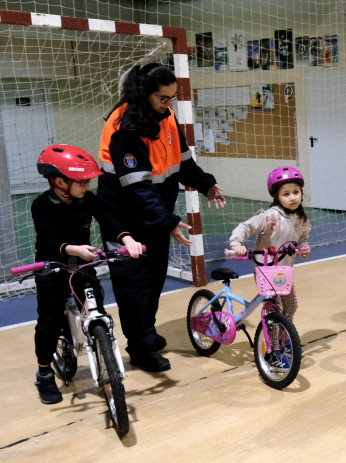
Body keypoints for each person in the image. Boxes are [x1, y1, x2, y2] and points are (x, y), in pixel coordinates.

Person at [97, 63, 226, 372]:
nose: (169, 104)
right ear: (144, 92)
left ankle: (147, 334)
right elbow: (138, 189)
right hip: (124, 222)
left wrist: (207, 184)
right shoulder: (124, 128)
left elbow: (182, 162)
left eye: (172, 97)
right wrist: (168, 221)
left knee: (154, 279)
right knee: (134, 285)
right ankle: (139, 348)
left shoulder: (166, 116)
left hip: (153, 217)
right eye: (163, 98)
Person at [31, 145, 143, 404]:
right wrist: (73, 249)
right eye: (82, 182)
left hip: (82, 263)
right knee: (48, 320)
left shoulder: (88, 200)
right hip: (52, 264)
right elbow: (49, 238)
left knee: (97, 309)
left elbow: (108, 218)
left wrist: (127, 238)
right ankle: (44, 374)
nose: (87, 186)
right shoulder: (42, 205)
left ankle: (102, 350)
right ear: (59, 182)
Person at [229, 166, 311, 367]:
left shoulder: (301, 219)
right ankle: (273, 352)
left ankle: (284, 340)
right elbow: (245, 227)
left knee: (291, 306)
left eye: (296, 192)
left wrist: (303, 250)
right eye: (286, 194)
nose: (292, 197)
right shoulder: (270, 217)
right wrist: (236, 244)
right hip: (266, 271)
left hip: (284, 271)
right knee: (275, 310)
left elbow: (302, 241)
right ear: (276, 196)